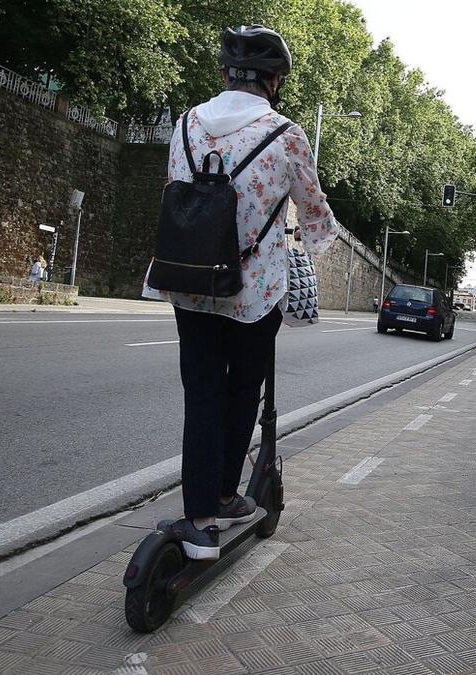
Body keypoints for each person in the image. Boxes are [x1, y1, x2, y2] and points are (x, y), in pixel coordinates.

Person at [144, 24, 338, 560]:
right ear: (274, 81)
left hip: (190, 279)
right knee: (241, 391)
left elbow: (179, 192)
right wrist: (312, 241)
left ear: (224, 74)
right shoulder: (286, 134)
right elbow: (315, 211)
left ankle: (199, 516)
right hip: (252, 292)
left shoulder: (186, 123)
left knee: (200, 393)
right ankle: (227, 494)